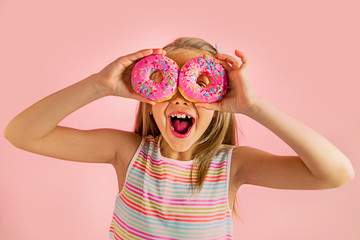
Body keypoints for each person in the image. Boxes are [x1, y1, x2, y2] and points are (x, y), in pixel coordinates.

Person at [4, 37, 355, 240]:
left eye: (200, 87)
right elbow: (22, 134)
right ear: (149, 100)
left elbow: (336, 173)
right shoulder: (128, 153)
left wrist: (254, 106)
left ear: (219, 103)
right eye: (168, 87)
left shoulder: (232, 167)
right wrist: (98, 84)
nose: (181, 99)